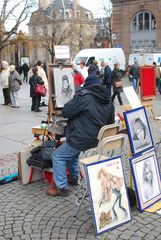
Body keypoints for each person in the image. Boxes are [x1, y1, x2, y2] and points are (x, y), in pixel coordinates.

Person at [46, 81, 115, 197]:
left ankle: (62, 188)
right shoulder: (109, 102)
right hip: (96, 139)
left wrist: (76, 98)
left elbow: (67, 111)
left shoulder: (85, 98)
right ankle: (74, 177)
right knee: (72, 153)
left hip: (81, 137)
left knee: (58, 155)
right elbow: (111, 123)